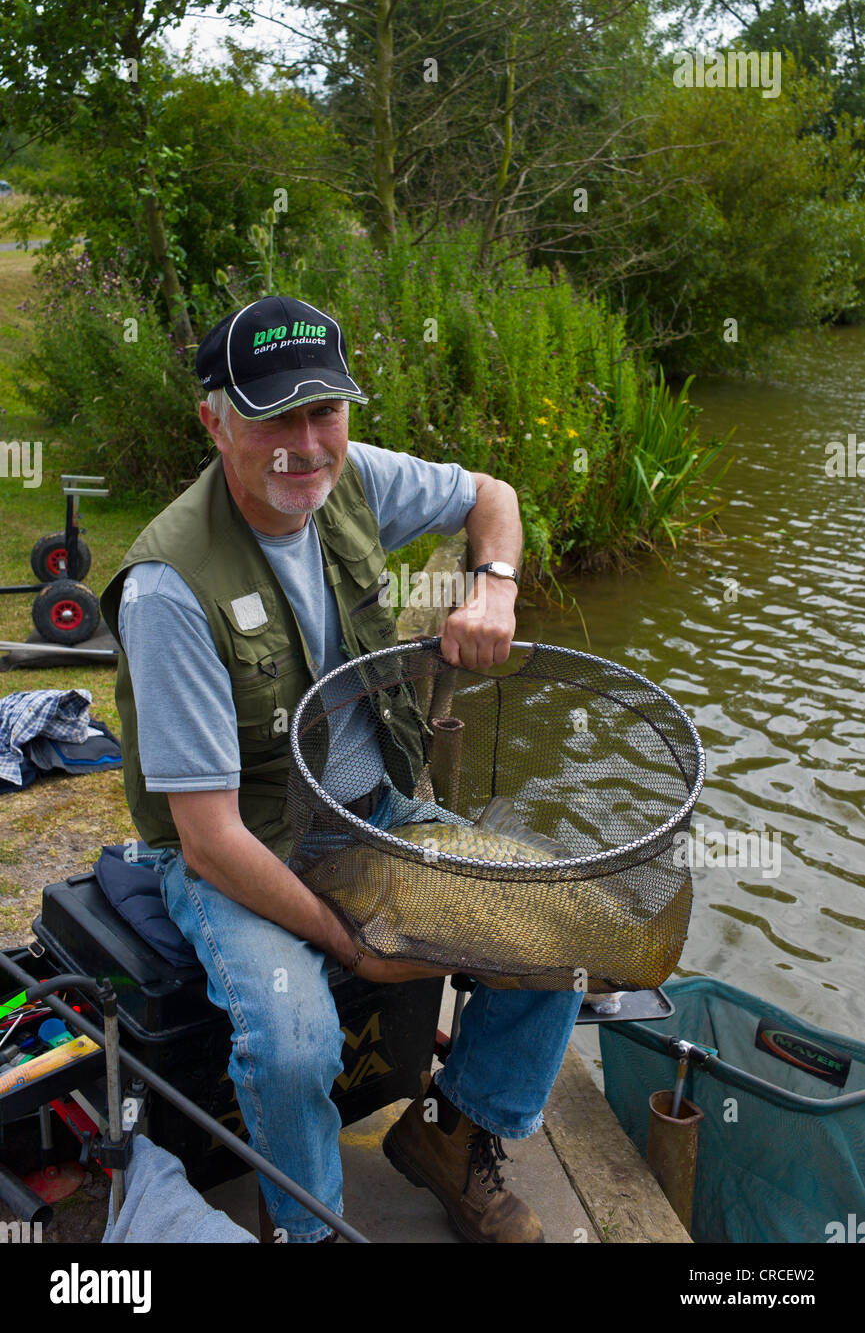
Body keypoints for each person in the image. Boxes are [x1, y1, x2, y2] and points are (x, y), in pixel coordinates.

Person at [100, 294, 584, 1244]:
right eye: (272, 415)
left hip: (377, 811)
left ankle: (454, 1134)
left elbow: (494, 496)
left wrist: (493, 587)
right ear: (214, 420)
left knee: (560, 921)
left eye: (323, 411)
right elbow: (210, 839)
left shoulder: (353, 477)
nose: (304, 444)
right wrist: (348, 945)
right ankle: (311, 1228)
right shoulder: (168, 587)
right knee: (293, 1043)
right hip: (247, 851)